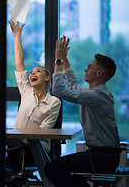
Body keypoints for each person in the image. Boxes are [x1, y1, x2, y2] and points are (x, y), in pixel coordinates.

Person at [44, 35, 120, 187]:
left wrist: (58, 61)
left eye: (90, 67)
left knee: (51, 169)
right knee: (62, 171)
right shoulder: (95, 94)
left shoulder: (97, 95)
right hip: (102, 155)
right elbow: (72, 84)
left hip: (102, 157)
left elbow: (58, 89)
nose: (86, 69)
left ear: (99, 72)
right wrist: (64, 58)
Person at [7, 20, 61, 176]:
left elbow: (43, 130)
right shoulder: (25, 90)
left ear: (46, 78)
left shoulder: (54, 102)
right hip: (17, 144)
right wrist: (17, 36)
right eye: (31, 72)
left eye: (37, 71)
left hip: (38, 147)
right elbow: (19, 63)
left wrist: (20, 131)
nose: (32, 73)